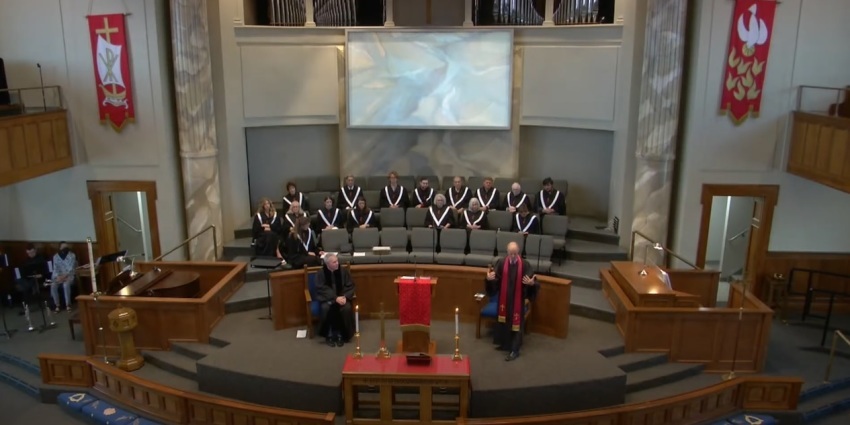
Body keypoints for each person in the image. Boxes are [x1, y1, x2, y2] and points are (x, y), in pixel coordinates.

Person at [485, 242, 538, 361]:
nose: (513, 256)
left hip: (517, 302)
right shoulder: (501, 263)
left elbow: (532, 280)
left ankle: (514, 350)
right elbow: (495, 280)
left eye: (515, 253)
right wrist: (489, 279)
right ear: (507, 252)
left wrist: (531, 284)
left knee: (516, 325)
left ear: (518, 252)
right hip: (504, 300)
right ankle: (505, 344)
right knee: (504, 322)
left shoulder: (524, 265)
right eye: (511, 253)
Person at [315, 253, 356, 347]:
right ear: (327, 264)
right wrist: (335, 298)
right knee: (326, 308)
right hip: (328, 299)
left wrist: (345, 296)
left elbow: (350, 285)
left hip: (342, 297)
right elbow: (321, 288)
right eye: (334, 262)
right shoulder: (321, 273)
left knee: (346, 308)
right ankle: (329, 335)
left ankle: (342, 334)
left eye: (337, 261)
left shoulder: (343, 271)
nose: (337, 263)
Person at [15, 244, 49, 310]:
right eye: (28, 253)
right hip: (29, 277)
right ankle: (29, 290)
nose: (30, 254)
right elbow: (23, 271)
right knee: (18, 279)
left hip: (39, 277)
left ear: (35, 250)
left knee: (25, 286)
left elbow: (46, 269)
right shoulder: (26, 260)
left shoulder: (41, 258)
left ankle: (25, 306)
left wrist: (42, 274)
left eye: (32, 252)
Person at [50, 242, 78, 312]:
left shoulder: (72, 255)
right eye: (63, 247)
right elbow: (55, 268)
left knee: (66, 285)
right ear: (60, 248)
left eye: (66, 247)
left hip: (69, 276)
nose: (65, 249)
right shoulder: (55, 256)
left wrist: (64, 276)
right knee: (53, 285)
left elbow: (71, 268)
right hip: (59, 277)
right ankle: (57, 305)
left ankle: (68, 304)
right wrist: (58, 276)